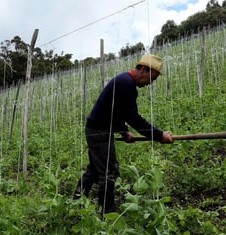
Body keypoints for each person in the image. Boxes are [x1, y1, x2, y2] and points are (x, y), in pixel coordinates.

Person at [74, 54, 173, 215]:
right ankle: (106, 213)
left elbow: (116, 112)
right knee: (109, 172)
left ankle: (76, 202)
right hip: (99, 132)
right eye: (151, 79)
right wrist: (159, 135)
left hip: (97, 129)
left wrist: (124, 131)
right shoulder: (126, 84)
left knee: (94, 171)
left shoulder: (124, 81)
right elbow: (133, 118)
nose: (150, 83)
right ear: (143, 70)